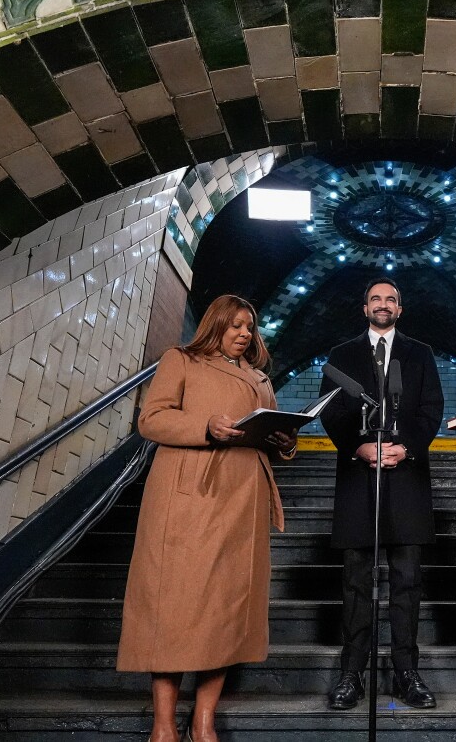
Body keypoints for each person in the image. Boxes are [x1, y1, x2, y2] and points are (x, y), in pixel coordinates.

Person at [117, 294, 295, 742]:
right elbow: (151, 420)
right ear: (215, 325)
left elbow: (276, 442)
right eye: (234, 325)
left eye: (249, 326)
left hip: (244, 499)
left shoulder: (258, 377)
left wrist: (283, 441)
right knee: (172, 605)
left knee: (225, 608)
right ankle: (162, 724)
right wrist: (205, 427)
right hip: (190, 495)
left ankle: (203, 719)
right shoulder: (181, 360)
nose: (243, 333)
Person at [318, 277, 445, 711]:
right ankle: (351, 674)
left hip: (407, 479)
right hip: (358, 478)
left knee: (407, 582)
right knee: (355, 581)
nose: (383, 304)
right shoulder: (341, 355)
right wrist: (357, 446)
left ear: (400, 308)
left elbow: (432, 409)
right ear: (365, 307)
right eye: (376, 298)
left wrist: (405, 446)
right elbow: (331, 410)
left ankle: (407, 674)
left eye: (391, 298)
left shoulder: (421, 353)